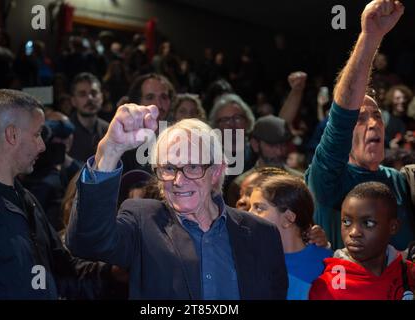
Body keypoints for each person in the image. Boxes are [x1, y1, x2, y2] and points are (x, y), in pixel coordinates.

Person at [66, 105, 288, 299]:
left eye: (192, 167)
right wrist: (110, 150)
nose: (178, 181)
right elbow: (87, 242)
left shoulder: (262, 233)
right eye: (169, 168)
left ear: (217, 171)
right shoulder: (143, 220)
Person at [0, 89, 117, 299]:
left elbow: (62, 272)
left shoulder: (26, 199)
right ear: (12, 135)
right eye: (37, 134)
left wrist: (116, 273)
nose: (42, 146)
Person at [305, 0, 414, 250]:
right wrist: (370, 37)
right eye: (360, 119)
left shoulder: (402, 182)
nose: (374, 123)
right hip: (346, 289)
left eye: (376, 115)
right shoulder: (327, 178)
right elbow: (342, 117)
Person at [309, 182, 415, 300]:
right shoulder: (327, 286)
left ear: (393, 227)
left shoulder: (409, 274)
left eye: (368, 223)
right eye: (346, 222)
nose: (353, 233)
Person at [249, 175, 333, 300]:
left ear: (289, 218)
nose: (249, 213)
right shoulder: (246, 260)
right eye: (250, 207)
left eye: (259, 208)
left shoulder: (328, 264)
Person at [68, 72, 109, 162]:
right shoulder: (66, 132)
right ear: (73, 101)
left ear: (101, 97)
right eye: (82, 94)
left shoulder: (109, 130)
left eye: (94, 93)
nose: (90, 98)